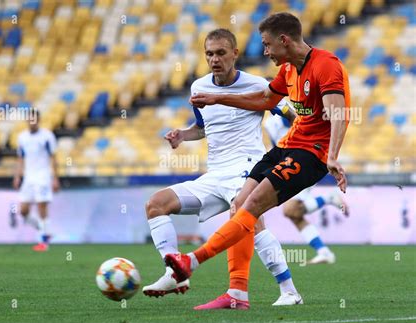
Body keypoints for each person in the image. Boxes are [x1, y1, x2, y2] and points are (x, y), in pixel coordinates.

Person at [165, 12, 350, 287]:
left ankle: (191, 261)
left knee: (252, 206)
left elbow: (339, 114)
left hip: (311, 152)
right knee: (240, 204)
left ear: (284, 40)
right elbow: (265, 99)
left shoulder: (326, 65)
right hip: (287, 146)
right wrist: (218, 98)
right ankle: (238, 294)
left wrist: (333, 156)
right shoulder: (288, 70)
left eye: (267, 44)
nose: (265, 51)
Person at [143, 28, 303, 308]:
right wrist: (182, 134)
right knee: (156, 204)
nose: (214, 59)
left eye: (220, 53)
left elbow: (294, 116)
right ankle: (174, 273)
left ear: (235, 54)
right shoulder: (198, 87)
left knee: (247, 219)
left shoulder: (259, 85)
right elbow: (203, 128)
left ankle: (288, 290)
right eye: (209, 54)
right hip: (215, 174)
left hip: (247, 168)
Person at [264, 112, 349, 264]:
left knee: (290, 210)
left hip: (306, 161)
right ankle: (324, 252)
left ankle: (329, 198)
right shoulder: (270, 123)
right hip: (287, 165)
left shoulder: (298, 113)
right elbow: (276, 146)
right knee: (294, 214)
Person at [13, 109, 60, 251]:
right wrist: (17, 176)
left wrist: (55, 178)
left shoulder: (47, 136)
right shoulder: (22, 137)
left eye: (34, 119)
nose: (32, 122)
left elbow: (53, 158)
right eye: (29, 119)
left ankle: (44, 241)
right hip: (29, 177)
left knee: (41, 207)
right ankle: (44, 229)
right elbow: (21, 158)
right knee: (23, 210)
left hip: (43, 176)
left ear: (38, 120)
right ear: (27, 120)